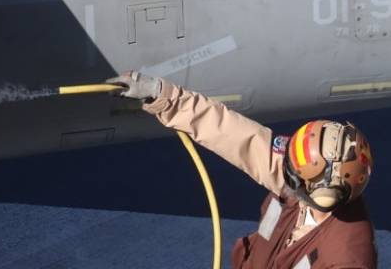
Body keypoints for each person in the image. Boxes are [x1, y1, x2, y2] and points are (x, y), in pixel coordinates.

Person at [108, 71, 377, 269]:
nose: (282, 169)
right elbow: (235, 134)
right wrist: (163, 97)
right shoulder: (303, 174)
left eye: (292, 171)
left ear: (323, 194)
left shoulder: (346, 257)